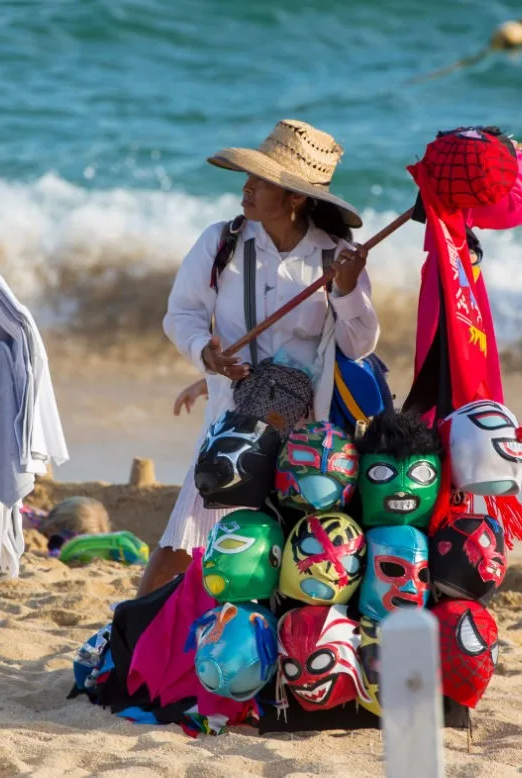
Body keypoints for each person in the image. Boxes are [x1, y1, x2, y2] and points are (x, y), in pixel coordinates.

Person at [137, 118, 380, 597]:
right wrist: (205, 354)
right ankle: (129, 643)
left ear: (295, 198)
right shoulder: (221, 242)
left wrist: (348, 291)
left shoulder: (337, 256)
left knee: (286, 548)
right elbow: (181, 314)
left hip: (309, 433)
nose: (246, 187)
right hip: (230, 421)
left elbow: (359, 346)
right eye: (250, 176)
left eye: (261, 181)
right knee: (186, 541)